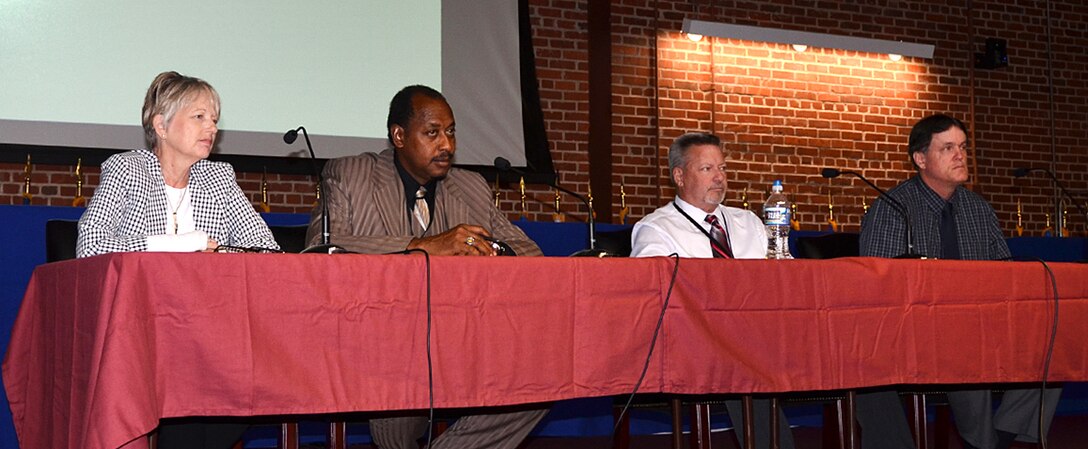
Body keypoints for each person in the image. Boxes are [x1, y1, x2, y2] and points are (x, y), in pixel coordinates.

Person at [307, 85, 547, 449]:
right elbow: (321, 248)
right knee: (404, 390)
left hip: (462, 340)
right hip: (380, 340)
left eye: (451, 132)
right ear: (399, 136)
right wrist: (420, 246)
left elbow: (528, 251)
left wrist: (487, 249)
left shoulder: (470, 186)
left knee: (541, 380)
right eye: (432, 133)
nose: (447, 145)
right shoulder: (351, 175)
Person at [76, 71, 279, 448]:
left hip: (211, 336)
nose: (211, 127)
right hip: (146, 335)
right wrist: (180, 245)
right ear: (161, 125)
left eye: (215, 119)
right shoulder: (127, 170)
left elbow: (265, 250)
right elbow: (91, 244)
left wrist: (214, 254)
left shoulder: (218, 177)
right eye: (199, 116)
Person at [857, 114, 1061, 449]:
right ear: (920, 159)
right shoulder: (893, 208)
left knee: (1051, 347)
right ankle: (983, 442)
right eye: (948, 148)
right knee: (966, 346)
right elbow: (876, 284)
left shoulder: (979, 210)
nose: (960, 155)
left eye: (963, 147)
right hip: (915, 334)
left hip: (981, 326)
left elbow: (1006, 274)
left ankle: (1000, 437)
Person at [630, 132, 795, 449]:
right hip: (697, 344)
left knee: (856, 360)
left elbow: (784, 279)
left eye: (722, 168)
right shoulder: (656, 228)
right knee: (742, 363)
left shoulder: (748, 222)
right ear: (680, 176)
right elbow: (653, 298)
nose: (719, 178)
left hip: (763, 337)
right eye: (707, 169)